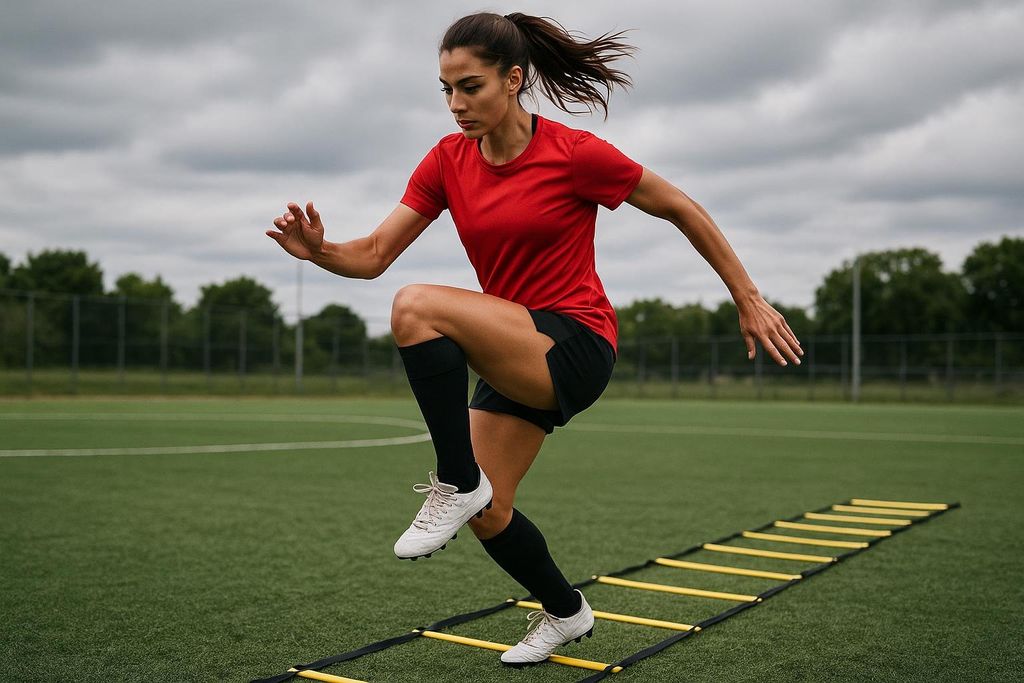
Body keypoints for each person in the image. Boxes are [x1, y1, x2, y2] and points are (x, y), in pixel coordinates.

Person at [266, 11, 802, 667]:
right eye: (446, 89)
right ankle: (564, 610)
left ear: (513, 79)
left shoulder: (573, 154)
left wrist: (747, 296)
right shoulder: (446, 160)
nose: (457, 104)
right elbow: (375, 252)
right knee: (493, 512)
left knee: (416, 308)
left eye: (472, 86)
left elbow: (680, 205)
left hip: (574, 341)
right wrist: (319, 252)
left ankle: (454, 480)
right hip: (513, 345)